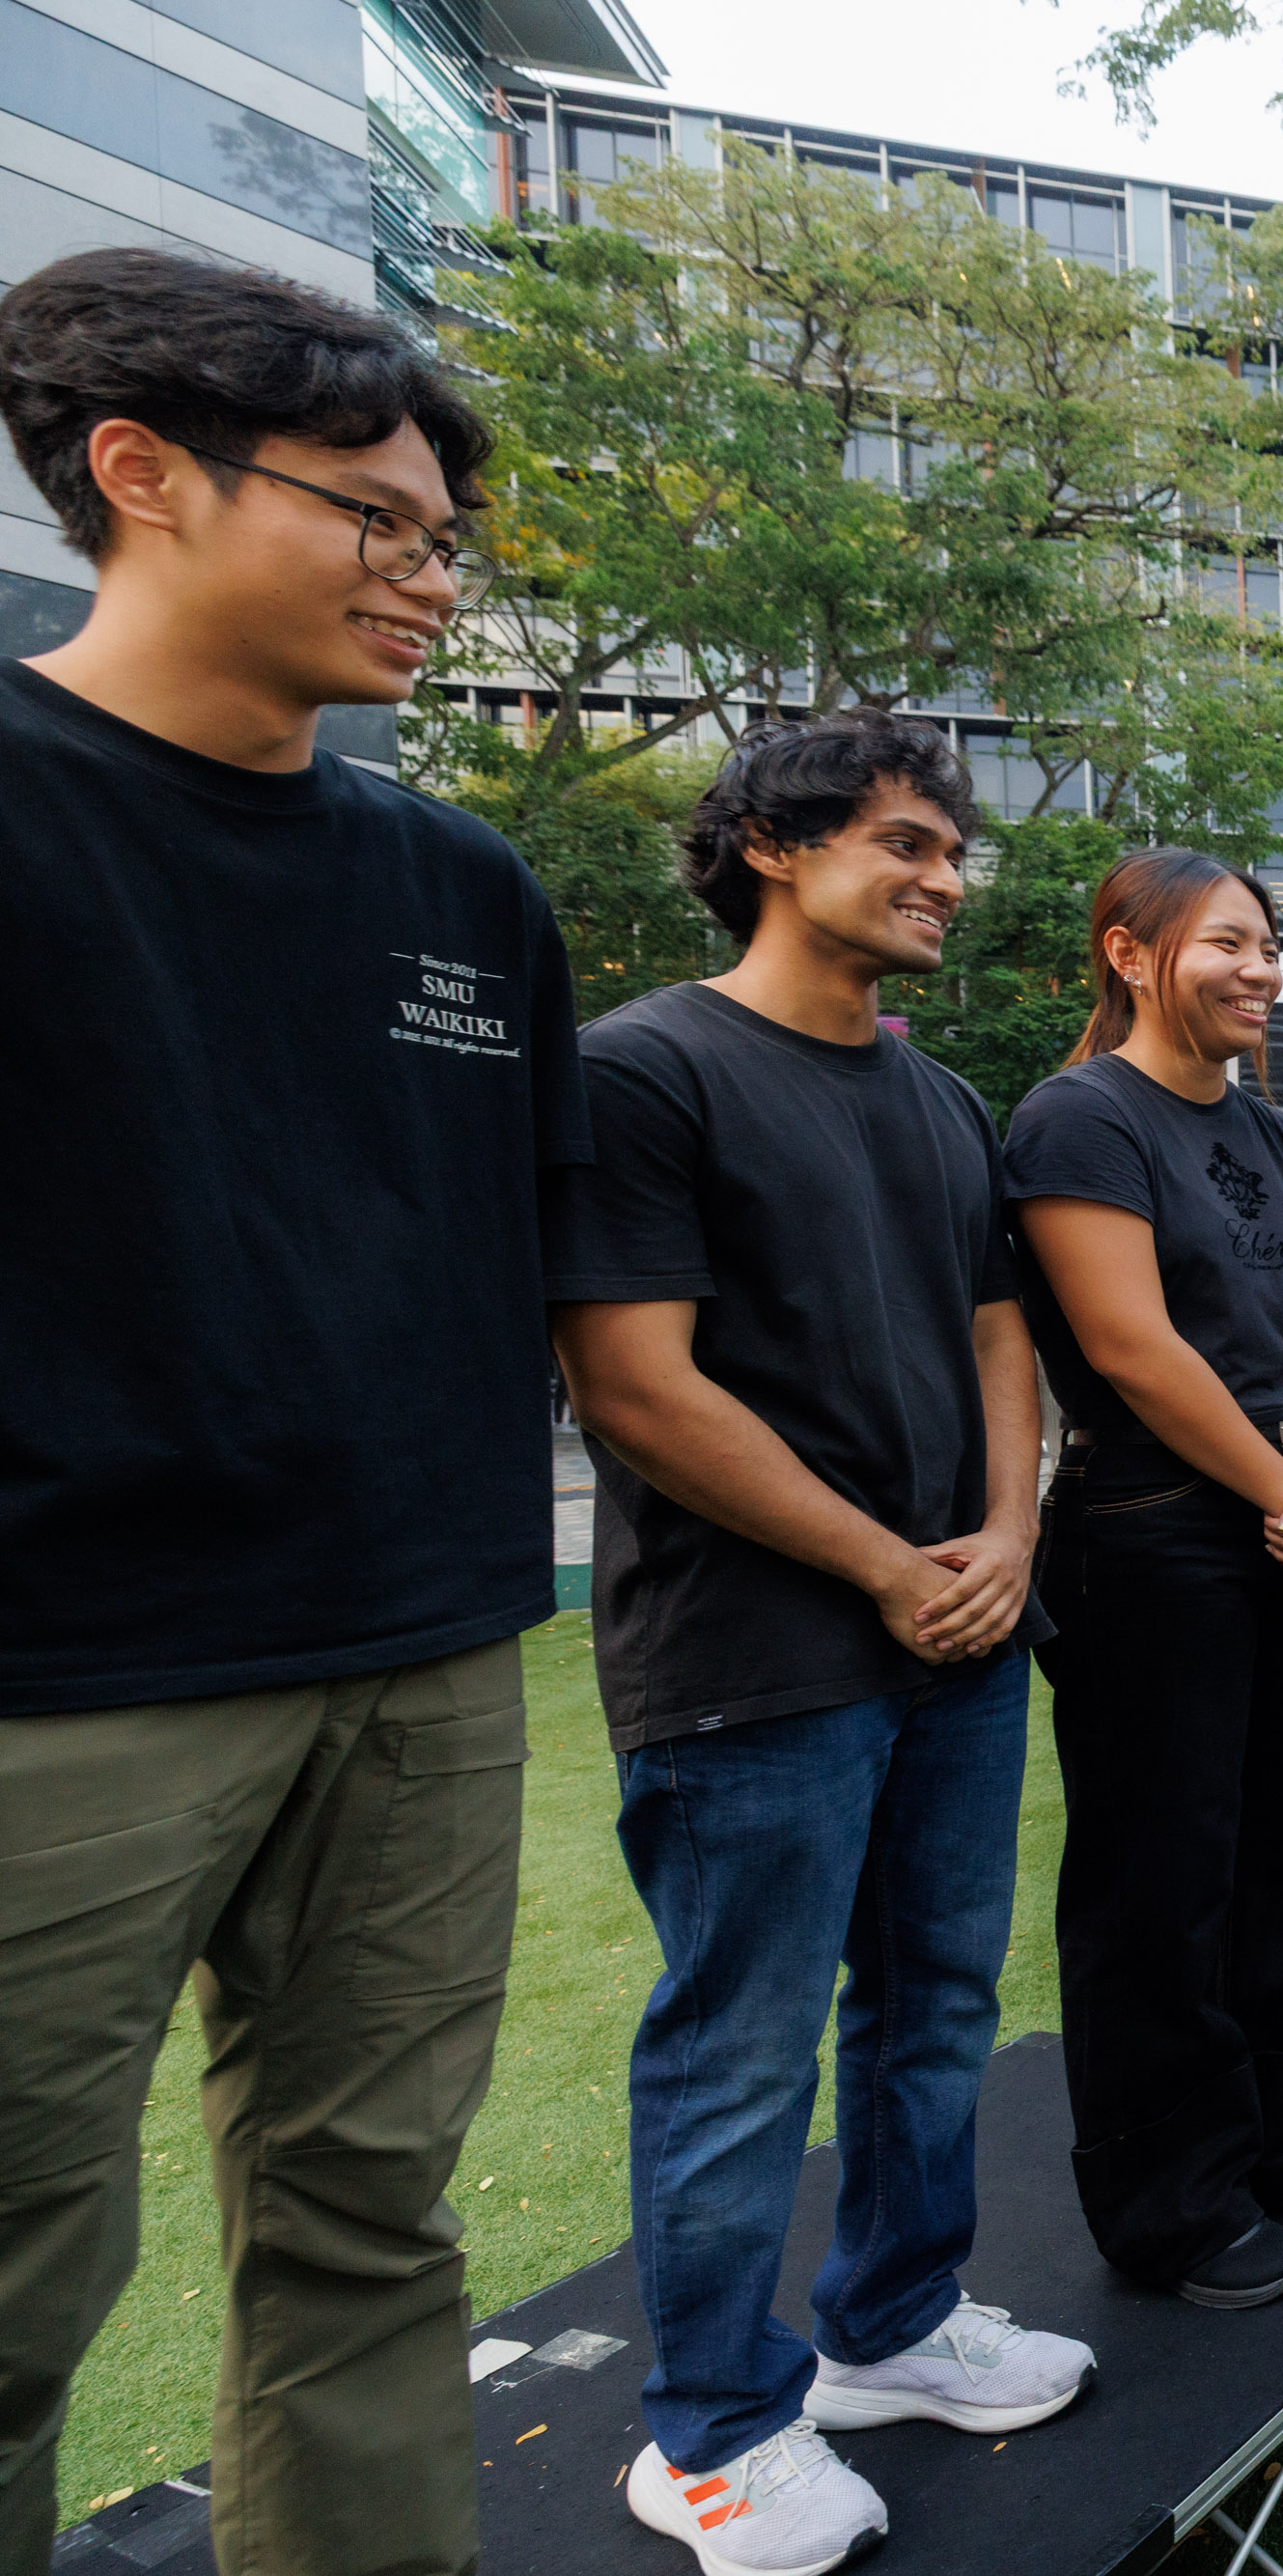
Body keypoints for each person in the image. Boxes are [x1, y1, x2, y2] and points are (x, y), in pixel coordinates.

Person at [0, 247, 577, 2576]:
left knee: (372, 2236)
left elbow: (527, 1263)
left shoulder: (461, 884)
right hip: (62, 1685)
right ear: (135, 474)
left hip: (427, 1657)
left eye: (443, 538)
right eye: (375, 518)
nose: (426, 576)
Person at [547, 716, 1091, 2570]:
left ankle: (893, 2319)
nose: (945, 874)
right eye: (908, 841)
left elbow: (1001, 1330)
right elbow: (633, 1381)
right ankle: (706, 2431)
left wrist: (1009, 1534)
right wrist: (884, 1559)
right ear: (772, 844)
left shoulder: (937, 1097)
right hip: (750, 1653)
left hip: (957, 1632)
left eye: (953, 849)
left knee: (936, 2004)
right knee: (740, 2050)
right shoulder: (645, 1070)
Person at [1008, 850, 1283, 2310]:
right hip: (1158, 1525)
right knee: (1161, 1876)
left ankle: (1271, 2129)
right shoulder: (1079, 1121)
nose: (1261, 969)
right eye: (1229, 942)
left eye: (1272, 946)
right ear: (1130, 952)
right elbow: (1129, 1346)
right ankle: (1167, 2202)